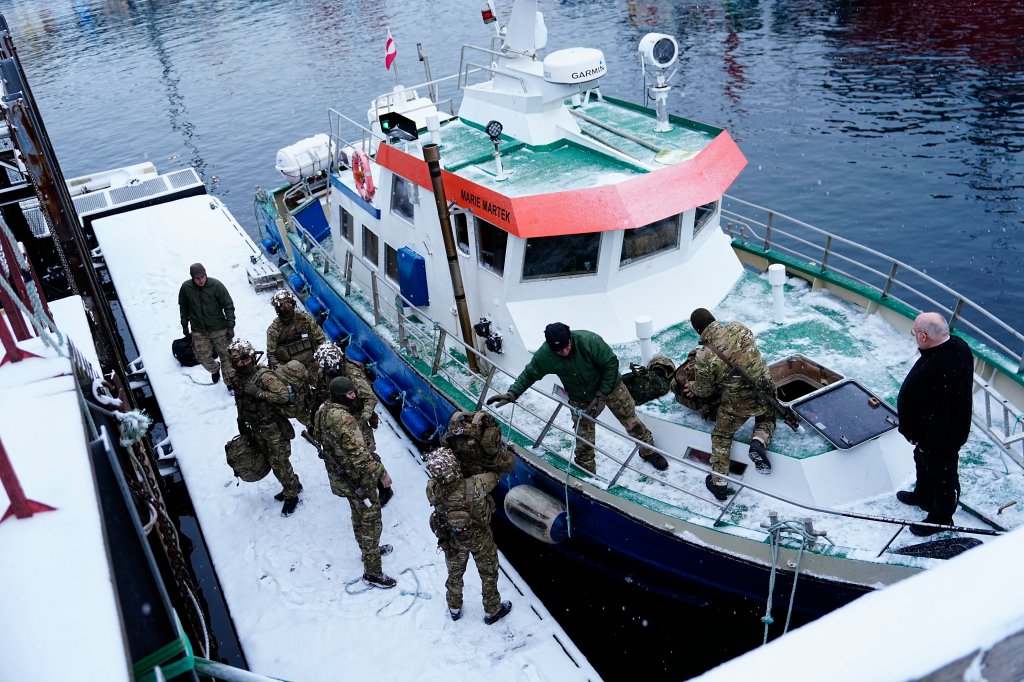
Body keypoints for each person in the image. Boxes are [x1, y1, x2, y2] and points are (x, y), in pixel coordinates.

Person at [487, 322, 667, 474]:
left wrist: (602, 394)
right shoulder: (545, 356)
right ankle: (586, 470)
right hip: (581, 398)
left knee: (631, 421)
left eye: (567, 346)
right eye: (559, 350)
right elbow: (530, 373)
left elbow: (611, 363)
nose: (564, 352)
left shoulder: (589, 341)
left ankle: (648, 451)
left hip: (612, 388)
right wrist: (513, 393)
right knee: (583, 437)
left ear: (571, 338)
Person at [683, 308, 776, 502]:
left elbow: (705, 390)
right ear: (713, 319)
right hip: (765, 390)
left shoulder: (704, 356)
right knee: (767, 415)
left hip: (738, 404)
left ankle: (720, 484)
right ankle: (758, 442)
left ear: (698, 330)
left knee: (721, 436)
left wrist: (692, 386)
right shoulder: (738, 327)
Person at [896, 312, 974, 537]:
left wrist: (919, 437)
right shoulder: (959, 346)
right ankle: (923, 495)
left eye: (914, 333)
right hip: (938, 432)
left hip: (940, 437)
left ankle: (941, 518)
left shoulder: (934, 368)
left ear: (923, 336)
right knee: (923, 462)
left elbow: (936, 412)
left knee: (944, 475)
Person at [314, 376, 396, 588]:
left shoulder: (323, 410)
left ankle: (368, 551)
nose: (355, 396)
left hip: (342, 477)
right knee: (371, 522)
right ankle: (373, 572)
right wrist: (382, 474)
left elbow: (319, 437)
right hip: (358, 478)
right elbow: (361, 455)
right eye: (350, 393)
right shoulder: (345, 419)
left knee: (358, 515)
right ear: (341, 395)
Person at [425, 446, 511, 625]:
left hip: (453, 538)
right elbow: (497, 476)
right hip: (480, 537)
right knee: (488, 573)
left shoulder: (433, 490)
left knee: (455, 573)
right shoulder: (477, 484)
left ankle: (454, 607)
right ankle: (492, 609)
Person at [230, 338, 302, 516]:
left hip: (273, 427)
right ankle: (292, 484)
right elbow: (239, 400)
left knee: (279, 462)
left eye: (247, 359)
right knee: (270, 459)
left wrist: (259, 393)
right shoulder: (237, 379)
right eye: (240, 361)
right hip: (255, 426)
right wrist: (241, 420)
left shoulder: (264, 377)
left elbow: (284, 396)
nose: (245, 363)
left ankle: (292, 494)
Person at [178, 263, 235, 387]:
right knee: (202, 357)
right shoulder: (186, 288)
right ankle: (215, 369)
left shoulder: (216, 285)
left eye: (202, 277)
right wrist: (184, 325)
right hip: (199, 330)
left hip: (219, 327)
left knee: (227, 357)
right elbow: (183, 307)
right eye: (197, 278)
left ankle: (230, 382)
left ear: (206, 274)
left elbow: (228, 305)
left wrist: (230, 326)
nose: (201, 280)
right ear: (192, 278)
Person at [266, 290, 326, 371]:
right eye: (282, 305)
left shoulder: (305, 319)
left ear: (293, 303)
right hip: (290, 370)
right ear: (278, 308)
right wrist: (281, 370)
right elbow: (271, 355)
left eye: (288, 303)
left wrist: (321, 359)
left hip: (312, 363)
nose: (286, 307)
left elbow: (321, 339)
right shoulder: (274, 329)